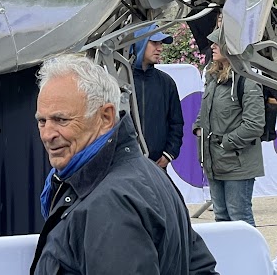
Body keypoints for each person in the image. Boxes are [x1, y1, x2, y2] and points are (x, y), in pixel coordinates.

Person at [32, 55, 216, 275]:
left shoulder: (107, 203)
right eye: (42, 121)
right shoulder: (148, 173)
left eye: (61, 120)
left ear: (106, 117)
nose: (47, 134)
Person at [193, 28, 265, 226]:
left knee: (239, 218)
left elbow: (255, 124)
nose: (212, 46)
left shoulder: (247, 81)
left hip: (236, 164)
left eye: (217, 43)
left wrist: (225, 143)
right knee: (222, 218)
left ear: (231, 47)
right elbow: (204, 110)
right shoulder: (212, 78)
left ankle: (251, 258)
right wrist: (198, 128)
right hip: (214, 162)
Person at [130, 24, 184, 167]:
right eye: (154, 42)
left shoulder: (166, 82)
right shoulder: (119, 81)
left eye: (161, 43)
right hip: (124, 167)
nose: (159, 48)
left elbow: (176, 123)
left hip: (157, 167)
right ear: (139, 42)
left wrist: (168, 154)